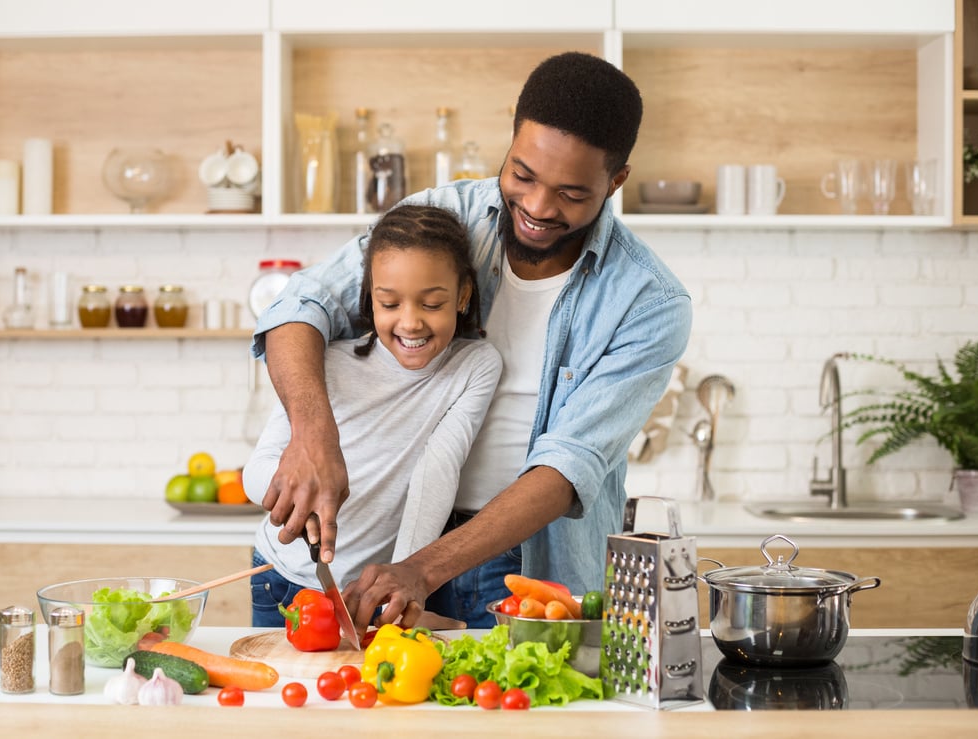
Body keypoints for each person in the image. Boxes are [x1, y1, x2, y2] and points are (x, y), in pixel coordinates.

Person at [251, 51, 692, 630]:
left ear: (615, 182)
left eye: (572, 194)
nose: (537, 207)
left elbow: (567, 468)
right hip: (387, 543)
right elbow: (299, 307)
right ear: (510, 139)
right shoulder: (441, 216)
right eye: (524, 175)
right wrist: (311, 435)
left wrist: (422, 568)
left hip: (520, 568)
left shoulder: (648, 302)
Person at [243, 204, 502, 626]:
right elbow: (256, 471)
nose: (410, 322)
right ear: (369, 297)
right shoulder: (326, 361)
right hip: (282, 580)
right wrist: (296, 499)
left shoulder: (475, 366)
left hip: (369, 591)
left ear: (463, 295)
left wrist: (401, 586)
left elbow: (437, 473)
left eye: (432, 304)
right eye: (390, 303)